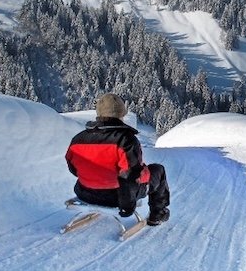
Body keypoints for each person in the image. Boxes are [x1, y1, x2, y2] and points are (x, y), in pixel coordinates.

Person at [65, 93, 171, 226]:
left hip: (85, 193)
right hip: (115, 198)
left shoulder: (78, 139)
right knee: (158, 170)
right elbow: (131, 175)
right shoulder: (126, 140)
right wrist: (127, 205)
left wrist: (94, 177)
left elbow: (73, 168)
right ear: (121, 114)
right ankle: (157, 215)